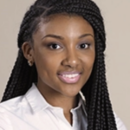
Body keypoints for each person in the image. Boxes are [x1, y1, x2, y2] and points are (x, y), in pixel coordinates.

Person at [0, 0, 127, 130]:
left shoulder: (111, 124)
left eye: (83, 45)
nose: (72, 61)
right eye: (55, 46)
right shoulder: (6, 121)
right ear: (29, 52)